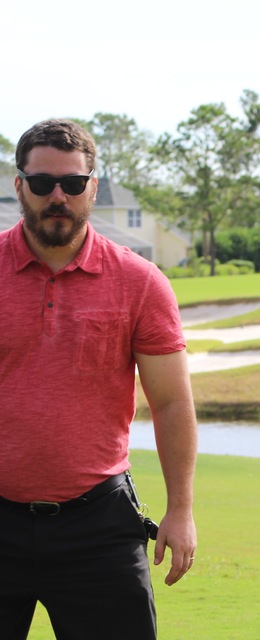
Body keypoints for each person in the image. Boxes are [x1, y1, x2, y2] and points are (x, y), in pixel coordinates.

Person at [0, 119, 198, 639]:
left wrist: (181, 510)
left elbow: (172, 403)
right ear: (19, 186)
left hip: (98, 526)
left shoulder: (140, 282)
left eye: (72, 182)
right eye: (42, 184)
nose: (57, 196)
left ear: (93, 184)